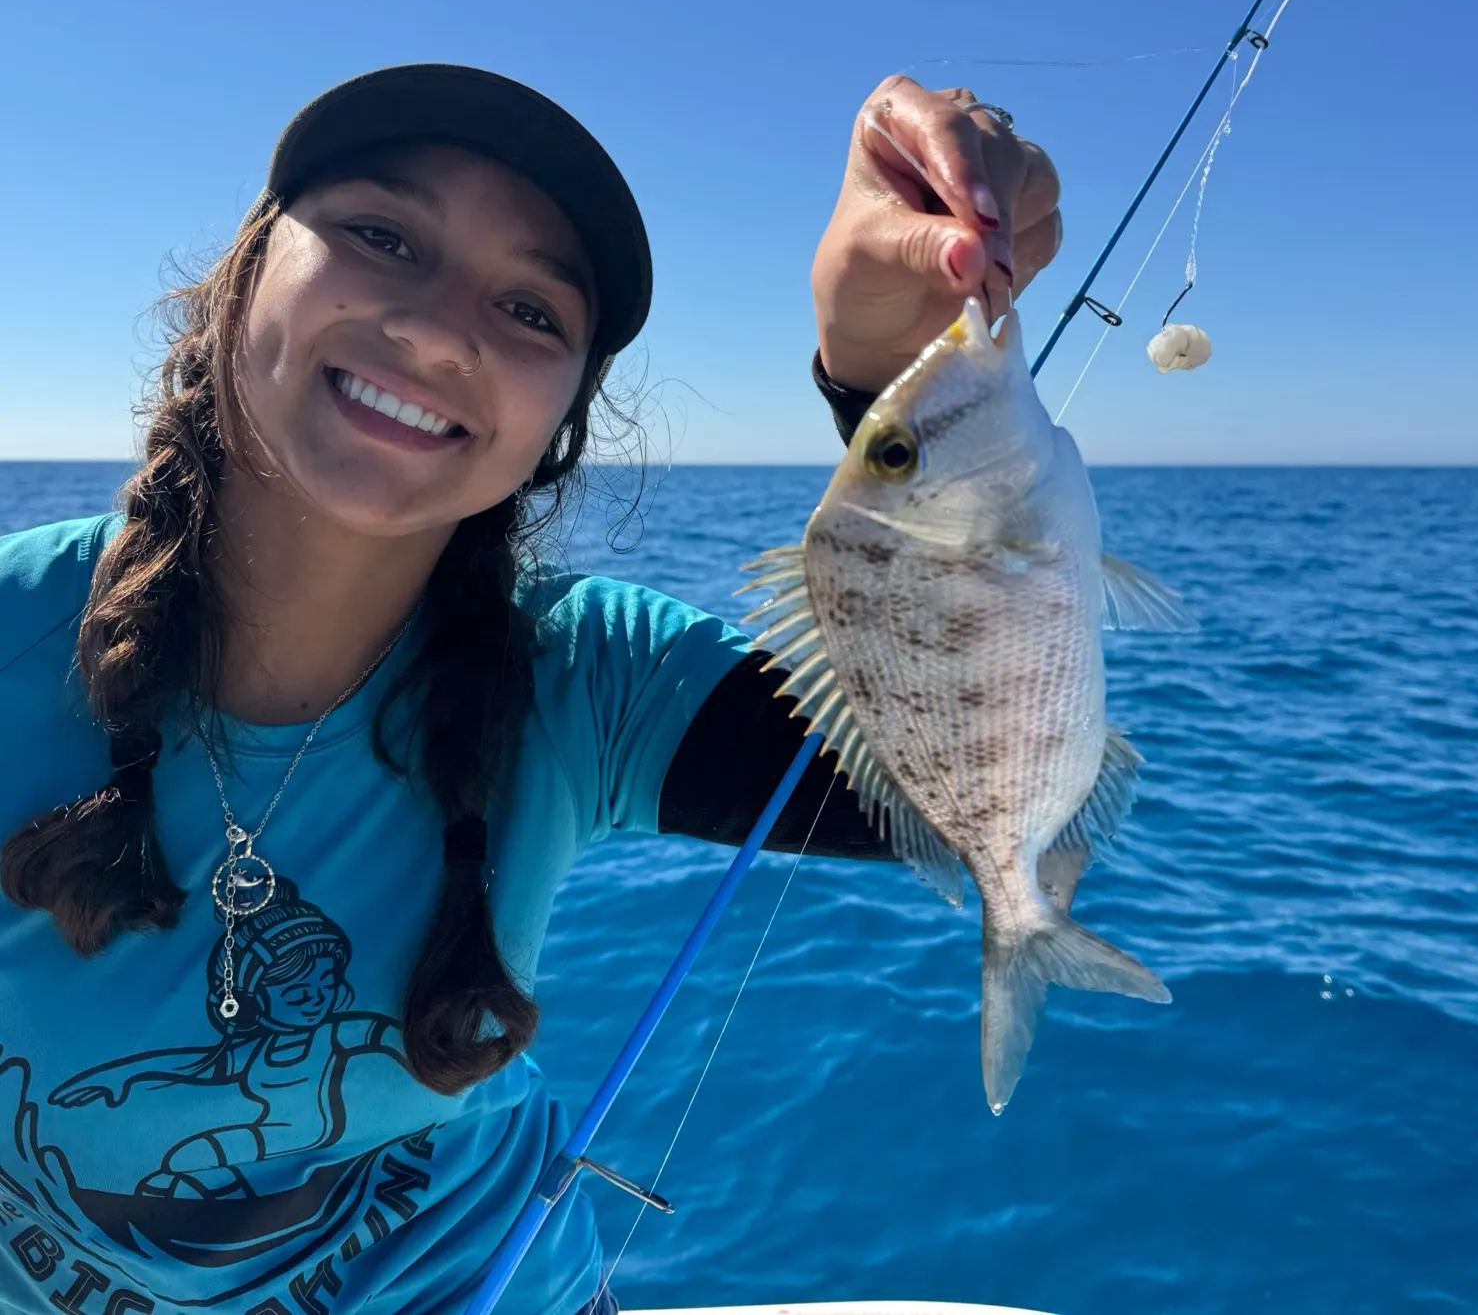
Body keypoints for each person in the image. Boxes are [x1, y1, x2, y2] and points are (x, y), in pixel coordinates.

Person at [0, 65, 1066, 1315]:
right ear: (245, 273)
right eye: (382, 236)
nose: (439, 332)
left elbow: (968, 790)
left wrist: (894, 376)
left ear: (559, 422)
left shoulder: (586, 673)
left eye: (530, 310)